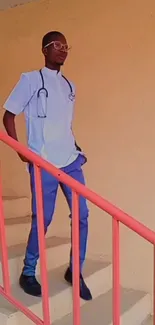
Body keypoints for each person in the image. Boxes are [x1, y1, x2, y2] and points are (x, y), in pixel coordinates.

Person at [3, 31, 92, 301]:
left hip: (70, 162)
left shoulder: (69, 86)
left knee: (82, 215)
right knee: (43, 218)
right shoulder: (30, 80)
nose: (63, 50)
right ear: (45, 49)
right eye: (58, 45)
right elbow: (8, 116)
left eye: (67, 46)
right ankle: (28, 272)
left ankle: (74, 271)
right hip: (43, 163)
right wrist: (22, 152)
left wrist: (75, 148)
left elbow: (63, 123)